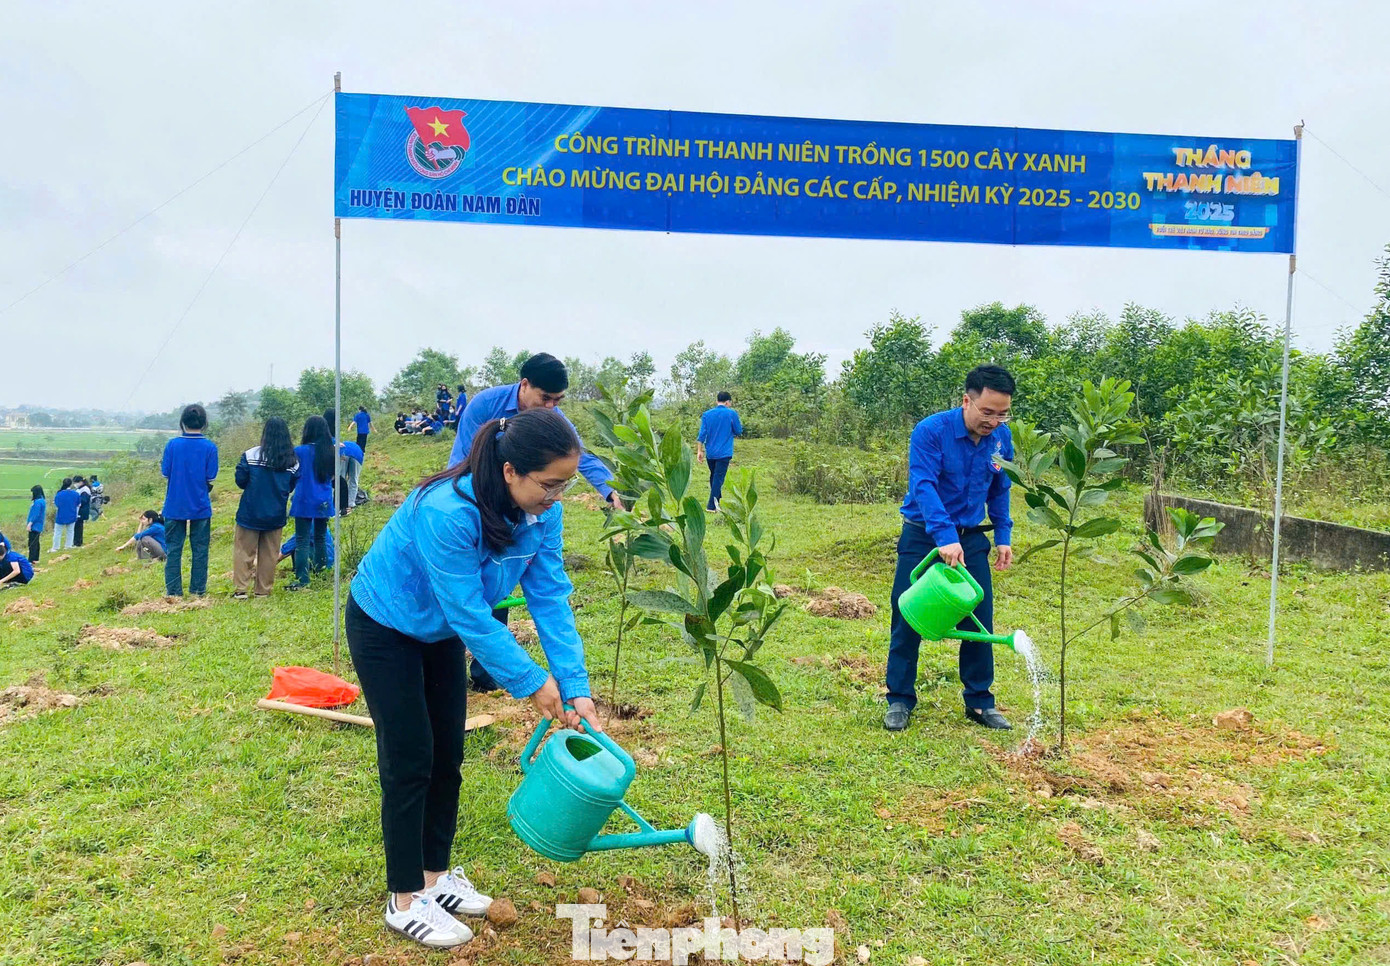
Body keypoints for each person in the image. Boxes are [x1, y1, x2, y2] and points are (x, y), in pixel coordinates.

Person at [347, 408, 600, 949]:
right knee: (411, 754)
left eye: (565, 485)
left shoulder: (541, 514)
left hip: (439, 633)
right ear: (510, 471)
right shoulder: (448, 511)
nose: (556, 497)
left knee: (448, 755)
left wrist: (575, 684)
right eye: (549, 484)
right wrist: (534, 683)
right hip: (386, 622)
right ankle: (404, 897)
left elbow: (550, 597)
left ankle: (435, 880)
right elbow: (468, 613)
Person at [448, 353, 621, 692]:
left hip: (521, 507)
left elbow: (578, 455)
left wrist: (609, 491)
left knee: (500, 583)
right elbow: (462, 460)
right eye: (545, 398)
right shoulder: (485, 405)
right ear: (524, 385)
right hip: (479, 506)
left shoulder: (553, 420)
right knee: (469, 591)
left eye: (558, 401)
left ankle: (487, 674)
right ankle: (455, 666)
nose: (551, 407)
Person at [884, 365, 1016, 733]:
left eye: (1002, 413)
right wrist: (943, 536)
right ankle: (899, 699)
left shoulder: (1002, 439)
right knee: (908, 612)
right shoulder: (931, 431)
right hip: (924, 535)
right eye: (987, 412)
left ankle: (979, 701)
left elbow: (1000, 488)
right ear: (966, 401)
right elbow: (923, 485)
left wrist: (1002, 533)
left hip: (971, 539)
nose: (994, 421)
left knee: (979, 615)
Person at [233, 417, 300, 599]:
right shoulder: (292, 461)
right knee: (269, 555)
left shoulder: (250, 455)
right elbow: (291, 486)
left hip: (250, 512)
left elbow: (240, 481)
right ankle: (263, 591)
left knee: (244, 552)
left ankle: (241, 590)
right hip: (275, 514)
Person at [161, 404, 220, 597]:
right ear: (204, 423)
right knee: (200, 550)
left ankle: (173, 592)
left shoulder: (172, 445)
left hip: (174, 505)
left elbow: (165, 472)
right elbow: (211, 477)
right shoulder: (210, 447)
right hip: (200, 506)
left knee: (173, 550)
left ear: (182, 422)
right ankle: (197, 591)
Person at [288, 415, 335, 590]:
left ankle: (303, 579)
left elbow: (293, 474)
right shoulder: (331, 451)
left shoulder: (299, 451)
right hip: (323, 499)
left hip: (304, 499)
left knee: (302, 540)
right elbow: (331, 477)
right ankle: (321, 573)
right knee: (321, 537)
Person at [696, 391, 744, 512]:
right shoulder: (731, 413)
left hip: (710, 452)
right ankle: (711, 506)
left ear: (717, 401)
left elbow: (702, 434)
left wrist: (699, 451)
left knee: (714, 476)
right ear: (728, 402)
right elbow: (738, 430)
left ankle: (718, 500)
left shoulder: (707, 414)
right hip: (724, 452)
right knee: (718, 478)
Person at [51, 478, 80, 552]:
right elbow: (78, 504)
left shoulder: (59, 494)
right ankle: (68, 545)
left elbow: (57, 504)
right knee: (70, 531)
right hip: (72, 514)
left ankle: (55, 547)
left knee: (57, 532)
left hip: (61, 515)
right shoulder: (75, 494)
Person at [25, 485, 45, 563]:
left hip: (35, 525)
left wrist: (30, 523)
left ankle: (31, 558)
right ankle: (35, 558)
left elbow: (35, 514)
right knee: (36, 542)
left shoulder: (37, 502)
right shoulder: (42, 500)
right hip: (39, 524)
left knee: (32, 542)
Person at [73, 476, 92, 547]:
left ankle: (78, 542)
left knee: (78, 527)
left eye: (76, 482)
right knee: (77, 527)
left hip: (82, 511)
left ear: (81, 482)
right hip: (78, 510)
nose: (75, 484)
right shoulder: (80, 489)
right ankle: (76, 541)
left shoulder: (85, 490)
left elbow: (83, 500)